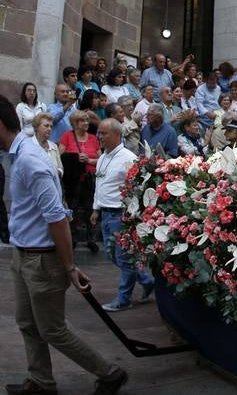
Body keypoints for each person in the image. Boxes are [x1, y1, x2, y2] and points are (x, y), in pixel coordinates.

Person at [0, 93, 127, 395]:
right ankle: (41, 381)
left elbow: (57, 218)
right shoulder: (19, 156)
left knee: (52, 329)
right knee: (27, 324)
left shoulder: (31, 161)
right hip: (24, 254)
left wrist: (69, 266)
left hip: (42, 260)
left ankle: (109, 373)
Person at [91, 118, 154, 312]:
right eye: (99, 133)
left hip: (121, 215)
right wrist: (95, 208)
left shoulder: (128, 157)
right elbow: (99, 184)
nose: (99, 136)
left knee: (124, 258)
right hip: (106, 214)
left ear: (117, 135)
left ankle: (124, 298)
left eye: (103, 133)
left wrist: (132, 213)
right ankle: (146, 280)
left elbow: (138, 186)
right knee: (113, 256)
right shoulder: (102, 157)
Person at [59, 110, 100, 253]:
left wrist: (89, 160)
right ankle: (72, 238)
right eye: (83, 121)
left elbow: (101, 159)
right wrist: (75, 157)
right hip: (73, 179)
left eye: (87, 120)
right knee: (73, 209)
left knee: (90, 208)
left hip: (89, 178)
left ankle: (91, 240)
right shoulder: (67, 136)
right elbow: (60, 156)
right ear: (75, 123)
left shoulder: (93, 138)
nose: (86, 123)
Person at [32, 113, 63, 179]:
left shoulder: (54, 146)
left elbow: (60, 168)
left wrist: (58, 173)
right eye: (46, 126)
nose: (49, 129)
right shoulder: (29, 145)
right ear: (37, 127)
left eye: (51, 126)